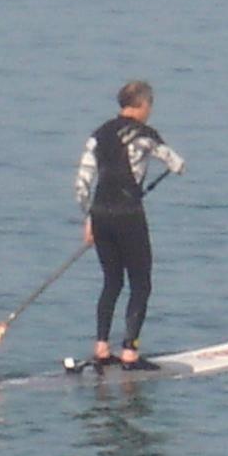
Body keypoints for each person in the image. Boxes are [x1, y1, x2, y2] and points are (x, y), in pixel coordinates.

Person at [75, 80, 185, 366]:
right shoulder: (146, 134)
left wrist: (89, 218)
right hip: (128, 216)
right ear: (143, 105)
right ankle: (129, 352)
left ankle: (101, 349)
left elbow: (82, 183)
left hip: (100, 215)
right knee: (140, 283)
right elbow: (175, 162)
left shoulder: (98, 135)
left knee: (111, 281)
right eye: (150, 106)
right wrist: (176, 166)